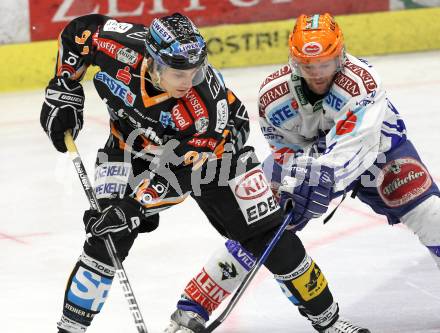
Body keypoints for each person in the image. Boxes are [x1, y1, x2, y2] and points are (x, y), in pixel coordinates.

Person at [39, 13, 370, 333]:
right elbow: (81, 31)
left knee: (268, 235)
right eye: (179, 73)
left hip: (217, 154)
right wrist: (64, 89)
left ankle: (330, 322)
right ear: (152, 60)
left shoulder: (206, 108)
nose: (188, 82)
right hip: (130, 146)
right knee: (105, 235)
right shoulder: (119, 45)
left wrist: (136, 207)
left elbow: (182, 172)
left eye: (195, 72)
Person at [165, 11, 440, 333]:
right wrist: (297, 179)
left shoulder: (363, 80)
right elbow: (283, 151)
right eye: (308, 65)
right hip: (310, 159)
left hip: (379, 153)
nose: (318, 73)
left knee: (432, 214)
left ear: (340, 56)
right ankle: (191, 309)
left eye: (325, 63)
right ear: (294, 62)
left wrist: (321, 176)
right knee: (259, 226)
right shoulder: (272, 96)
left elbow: (357, 145)